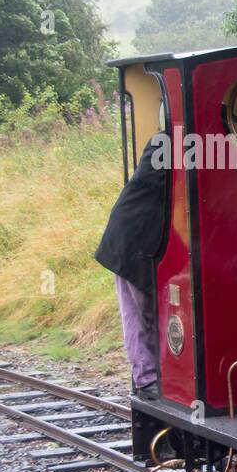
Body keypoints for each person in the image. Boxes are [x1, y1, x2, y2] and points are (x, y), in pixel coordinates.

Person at [95, 136, 168, 393]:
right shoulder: (165, 144)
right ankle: (146, 379)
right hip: (132, 240)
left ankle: (156, 375)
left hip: (142, 240)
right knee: (137, 316)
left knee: (148, 314)